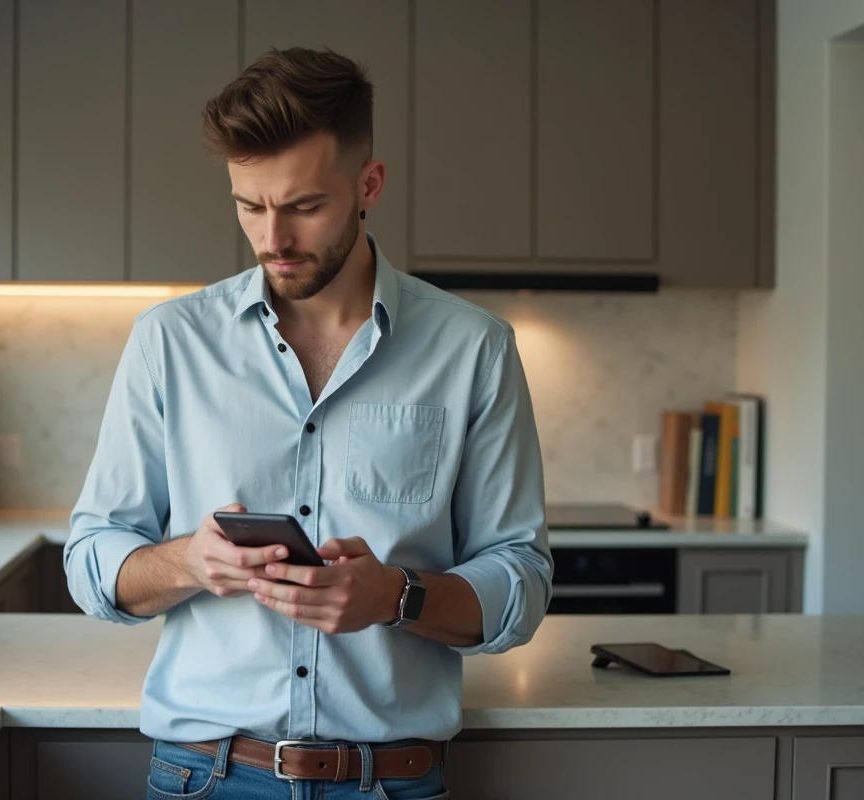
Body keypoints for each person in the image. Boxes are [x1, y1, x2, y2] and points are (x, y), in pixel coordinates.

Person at [65, 46, 553, 800]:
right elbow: (93, 559)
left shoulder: (473, 348)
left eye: (303, 206)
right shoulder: (169, 341)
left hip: (391, 782)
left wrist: (397, 596)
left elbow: (520, 575)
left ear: (369, 185)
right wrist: (189, 563)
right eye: (249, 205)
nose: (272, 240)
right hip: (204, 775)